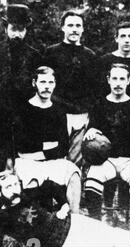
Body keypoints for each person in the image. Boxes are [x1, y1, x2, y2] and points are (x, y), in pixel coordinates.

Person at [0, 171, 130, 247]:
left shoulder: (28, 194)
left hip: (74, 224)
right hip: (62, 243)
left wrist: (64, 205)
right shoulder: (0, 217)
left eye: (15, 184)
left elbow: (51, 185)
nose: (14, 189)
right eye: (8, 187)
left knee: (119, 237)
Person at [83, 63, 130, 235]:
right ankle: (96, 225)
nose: (118, 83)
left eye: (122, 79)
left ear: (128, 81)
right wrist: (90, 130)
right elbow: (92, 129)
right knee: (92, 180)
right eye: (114, 78)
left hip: (129, 160)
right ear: (108, 80)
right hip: (107, 160)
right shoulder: (99, 104)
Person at [11, 66, 81, 214]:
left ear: (55, 84)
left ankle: (75, 220)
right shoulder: (23, 109)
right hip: (27, 162)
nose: (47, 87)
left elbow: (63, 146)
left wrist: (41, 149)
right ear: (34, 83)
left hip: (52, 162)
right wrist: (48, 147)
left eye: (50, 82)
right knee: (33, 181)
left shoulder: (59, 111)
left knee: (73, 173)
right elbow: (22, 145)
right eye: (43, 82)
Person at [0, 4, 42, 171]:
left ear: (26, 30)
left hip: (26, 122)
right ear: (5, 28)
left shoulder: (35, 55)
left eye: (21, 29)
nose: (17, 34)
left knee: (25, 169)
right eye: (13, 29)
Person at [44, 10, 99, 165]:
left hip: (81, 115)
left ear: (83, 29)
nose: (74, 29)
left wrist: (90, 120)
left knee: (76, 163)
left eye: (78, 25)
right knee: (55, 159)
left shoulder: (90, 56)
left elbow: (95, 91)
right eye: (70, 25)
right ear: (62, 28)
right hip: (56, 114)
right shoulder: (51, 53)